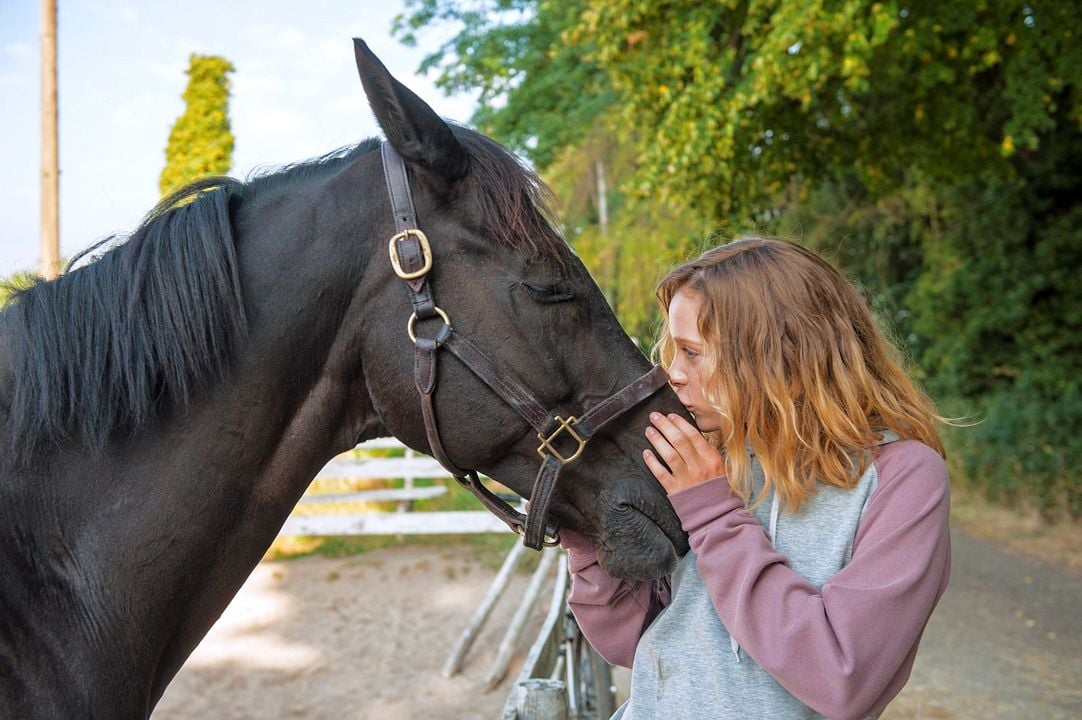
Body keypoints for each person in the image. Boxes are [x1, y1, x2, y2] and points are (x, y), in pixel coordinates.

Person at [562, 236, 952, 719]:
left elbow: (843, 678)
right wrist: (588, 537)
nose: (671, 374)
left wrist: (713, 514)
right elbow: (635, 643)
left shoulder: (904, 478)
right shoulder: (708, 458)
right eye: (673, 351)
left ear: (778, 354)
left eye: (692, 353)